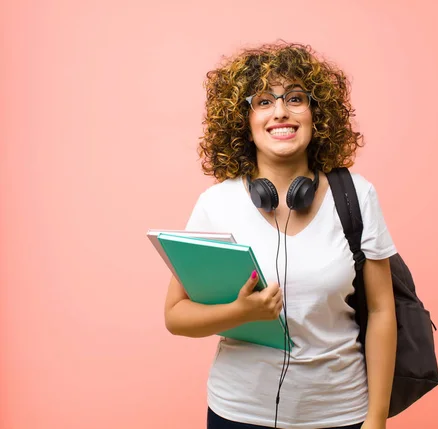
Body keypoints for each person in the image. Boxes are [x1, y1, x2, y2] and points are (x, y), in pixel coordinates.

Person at [164, 41, 398, 429]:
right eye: (263, 102)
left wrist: (376, 420)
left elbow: (381, 311)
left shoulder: (357, 195)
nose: (280, 113)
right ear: (244, 120)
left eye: (294, 98)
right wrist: (241, 313)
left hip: (341, 413)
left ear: (316, 114)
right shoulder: (216, 204)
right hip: (239, 413)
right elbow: (176, 316)